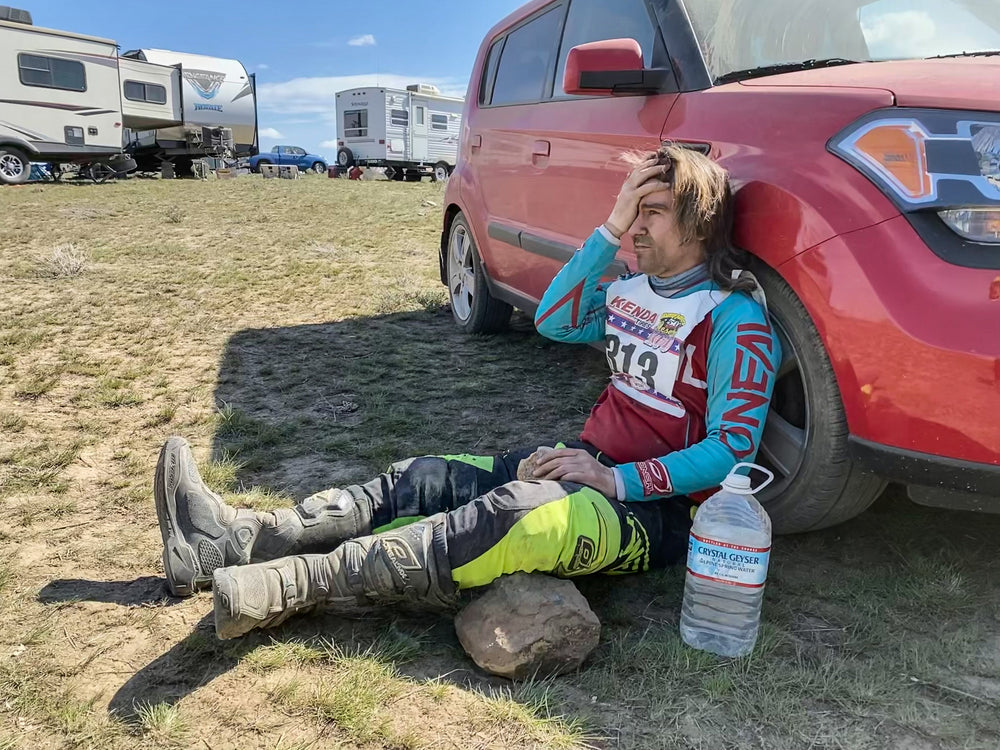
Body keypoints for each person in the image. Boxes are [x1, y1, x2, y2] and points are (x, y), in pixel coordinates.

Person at [153, 144, 780, 640]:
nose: (635, 228)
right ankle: (232, 541)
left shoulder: (733, 320)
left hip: (661, 512)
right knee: (422, 478)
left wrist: (612, 480)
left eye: (652, 212)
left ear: (697, 221)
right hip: (585, 462)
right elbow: (555, 320)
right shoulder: (630, 291)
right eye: (632, 211)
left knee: (510, 517)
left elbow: (731, 450)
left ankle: (290, 584)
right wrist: (610, 225)